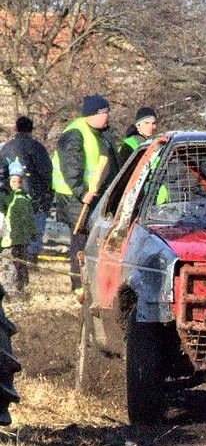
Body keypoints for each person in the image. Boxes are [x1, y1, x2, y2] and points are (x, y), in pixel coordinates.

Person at [52, 94, 119, 300]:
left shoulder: (102, 133)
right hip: (76, 198)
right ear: (92, 114)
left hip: (96, 195)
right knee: (81, 240)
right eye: (104, 113)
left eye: (108, 112)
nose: (107, 116)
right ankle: (79, 285)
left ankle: (93, 282)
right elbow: (71, 167)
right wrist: (82, 192)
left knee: (95, 239)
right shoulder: (74, 134)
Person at [0, 116, 52, 260]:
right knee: (35, 227)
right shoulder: (38, 147)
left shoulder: (6, 148)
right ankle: (31, 257)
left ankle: (14, 255)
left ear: (16, 128)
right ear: (31, 129)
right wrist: (47, 192)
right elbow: (46, 172)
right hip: (35, 196)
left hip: (11, 198)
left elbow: (1, 173)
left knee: (12, 226)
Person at [0, 162, 37, 297]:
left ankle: (21, 289)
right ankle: (9, 292)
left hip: (23, 239)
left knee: (21, 265)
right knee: (10, 267)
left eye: (19, 181)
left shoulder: (26, 197)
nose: (17, 184)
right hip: (8, 240)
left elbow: (30, 218)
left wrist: (33, 232)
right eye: (14, 181)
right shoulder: (6, 197)